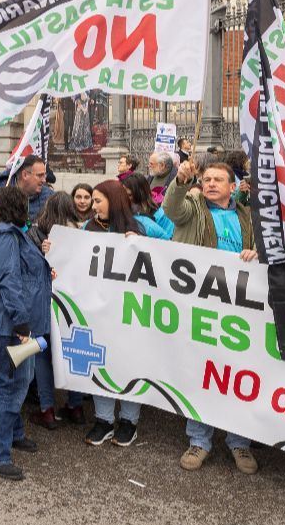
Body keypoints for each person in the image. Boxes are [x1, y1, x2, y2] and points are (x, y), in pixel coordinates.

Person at [163, 159, 259, 474]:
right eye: (207, 179)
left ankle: (239, 442)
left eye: (219, 179)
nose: (211, 183)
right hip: (199, 305)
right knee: (202, 373)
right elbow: (171, 211)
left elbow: (264, 252)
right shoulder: (192, 206)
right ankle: (199, 440)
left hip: (238, 310)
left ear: (233, 187)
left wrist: (255, 255)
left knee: (239, 376)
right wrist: (180, 180)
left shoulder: (247, 216)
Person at [0, 187, 51, 481]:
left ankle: (13, 433)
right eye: (25, 204)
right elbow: (9, 281)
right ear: (15, 207)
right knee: (9, 385)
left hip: (4, 319)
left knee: (20, 377)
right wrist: (21, 324)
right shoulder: (5, 237)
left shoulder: (8, 233)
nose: (28, 208)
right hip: (6, 322)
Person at [78, 181, 150, 446]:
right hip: (98, 309)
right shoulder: (88, 228)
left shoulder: (139, 228)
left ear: (114, 200)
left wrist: (142, 245)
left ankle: (129, 421)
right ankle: (104, 419)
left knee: (130, 364)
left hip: (130, 311)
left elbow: (161, 262)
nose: (92, 207)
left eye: (98, 201)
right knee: (101, 362)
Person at [26, 192, 85, 427]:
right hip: (71, 303)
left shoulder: (34, 233)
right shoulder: (80, 235)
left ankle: (47, 408)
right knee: (72, 352)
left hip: (43, 300)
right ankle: (76, 405)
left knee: (42, 352)